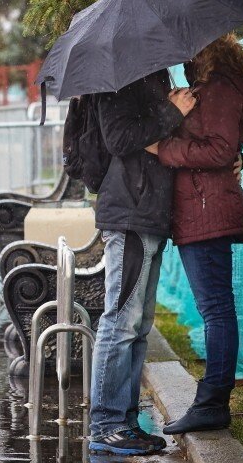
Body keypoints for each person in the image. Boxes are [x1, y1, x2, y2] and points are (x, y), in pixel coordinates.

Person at [145, 33, 243, 435]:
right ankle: (212, 399)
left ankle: (213, 402)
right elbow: (225, 147)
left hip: (206, 209)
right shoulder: (212, 87)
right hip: (203, 207)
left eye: (188, 49)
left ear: (205, 48)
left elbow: (218, 149)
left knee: (216, 309)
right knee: (216, 308)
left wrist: (164, 146)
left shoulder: (218, 88)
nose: (182, 57)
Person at [87, 70, 196, 456]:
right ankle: (106, 424)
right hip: (129, 214)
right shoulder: (118, 77)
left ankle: (125, 422)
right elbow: (119, 138)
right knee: (120, 322)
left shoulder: (153, 73)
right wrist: (171, 111)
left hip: (148, 213)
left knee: (139, 325)